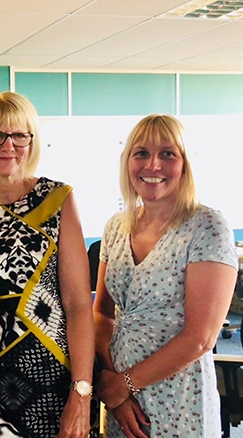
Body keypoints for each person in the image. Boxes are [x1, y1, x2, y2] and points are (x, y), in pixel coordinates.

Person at [0, 92, 96, 438]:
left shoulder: (58, 200)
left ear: (32, 141)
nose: (8, 145)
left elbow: (77, 304)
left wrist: (81, 392)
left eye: (19, 135)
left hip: (52, 379)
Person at [92, 114, 238, 437]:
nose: (153, 165)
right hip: (122, 402)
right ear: (127, 162)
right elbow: (102, 313)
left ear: (185, 163)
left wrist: (125, 383)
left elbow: (200, 337)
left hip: (180, 401)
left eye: (168, 154)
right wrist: (116, 390)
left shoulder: (207, 226)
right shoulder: (116, 227)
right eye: (141, 153)